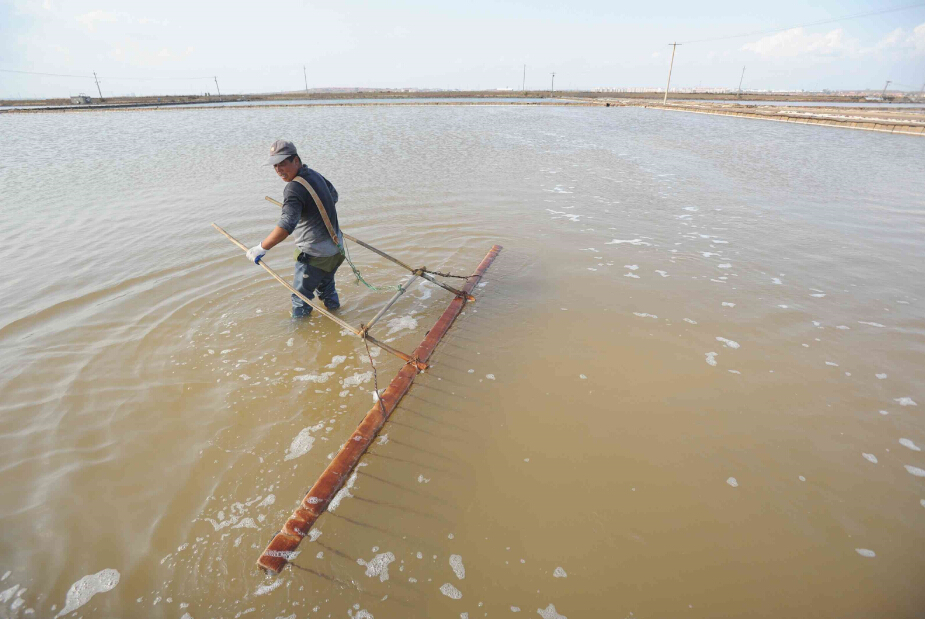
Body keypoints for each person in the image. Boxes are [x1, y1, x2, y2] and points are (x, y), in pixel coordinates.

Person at [246, 140, 345, 318]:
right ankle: (337, 313)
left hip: (315, 256)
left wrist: (261, 247)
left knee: (300, 299)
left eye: (283, 163)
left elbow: (287, 225)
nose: (279, 170)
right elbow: (333, 196)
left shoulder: (293, 189)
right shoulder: (314, 175)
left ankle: (299, 330)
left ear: (296, 160)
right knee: (327, 288)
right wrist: (309, 211)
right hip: (336, 250)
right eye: (275, 165)